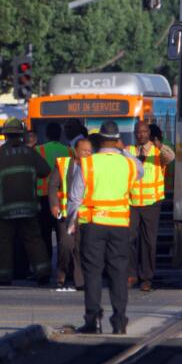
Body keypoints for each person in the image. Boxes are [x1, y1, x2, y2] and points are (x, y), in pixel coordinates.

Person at [67, 120, 141, 334]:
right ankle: (119, 322)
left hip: (93, 224)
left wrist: (71, 223)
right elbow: (140, 170)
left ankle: (92, 320)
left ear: (99, 140)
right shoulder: (128, 164)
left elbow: (75, 196)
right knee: (118, 273)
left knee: (92, 273)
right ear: (118, 140)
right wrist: (124, 151)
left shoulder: (89, 163)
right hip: (119, 226)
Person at [0, 119, 52, 285]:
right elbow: (45, 171)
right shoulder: (30, 153)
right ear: (22, 135)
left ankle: (2, 276)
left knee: (4, 242)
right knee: (34, 240)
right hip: (28, 207)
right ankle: (43, 272)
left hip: (5, 209)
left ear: (5, 135)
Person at [127, 120, 175, 292]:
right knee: (130, 239)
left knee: (148, 241)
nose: (141, 135)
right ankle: (131, 274)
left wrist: (160, 145)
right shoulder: (129, 151)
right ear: (135, 133)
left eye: (144, 132)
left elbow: (171, 157)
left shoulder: (158, 151)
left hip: (151, 203)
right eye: (138, 132)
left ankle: (146, 278)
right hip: (132, 202)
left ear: (149, 133)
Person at [47, 136, 92, 291]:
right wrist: (54, 205)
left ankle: (79, 281)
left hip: (84, 215)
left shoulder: (93, 166)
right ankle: (61, 274)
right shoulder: (64, 164)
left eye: (89, 151)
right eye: (84, 150)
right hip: (65, 214)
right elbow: (53, 186)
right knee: (65, 245)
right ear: (76, 151)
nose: (87, 153)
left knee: (80, 247)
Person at [33, 123, 71, 282]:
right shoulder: (69, 150)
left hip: (43, 197)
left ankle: (45, 269)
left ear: (47, 135)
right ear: (60, 134)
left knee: (44, 236)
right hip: (63, 199)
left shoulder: (39, 150)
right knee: (64, 238)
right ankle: (65, 271)